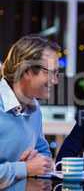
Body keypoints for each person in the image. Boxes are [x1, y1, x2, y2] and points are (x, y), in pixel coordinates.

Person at [0, 35, 60, 187]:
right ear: (26, 70)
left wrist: (39, 162)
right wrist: (25, 168)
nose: (55, 80)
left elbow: (43, 153)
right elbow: (27, 169)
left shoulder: (34, 108)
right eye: (50, 72)